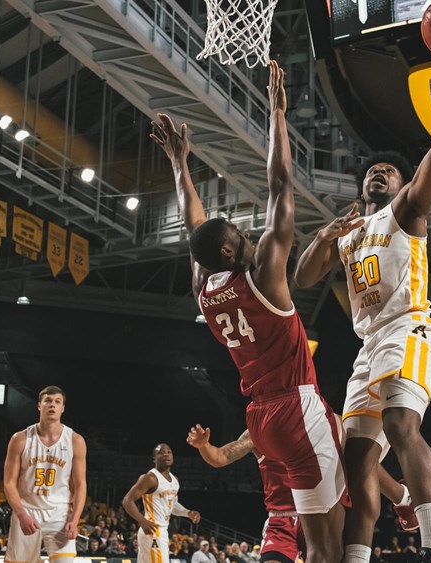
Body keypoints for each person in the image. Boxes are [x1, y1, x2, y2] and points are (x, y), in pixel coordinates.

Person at [293, 20, 431, 563]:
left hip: (411, 328)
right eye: (373, 171)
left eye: (389, 171)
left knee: (403, 424)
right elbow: (302, 281)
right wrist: (322, 240)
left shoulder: (406, 214)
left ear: (403, 186)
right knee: (357, 466)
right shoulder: (350, 233)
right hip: (368, 348)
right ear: (361, 187)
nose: (379, 174)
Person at [150, 60, 344, 563]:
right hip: (297, 408)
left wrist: (180, 164)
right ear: (235, 254)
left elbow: (196, 233)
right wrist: (278, 115)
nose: (249, 234)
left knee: (290, 522)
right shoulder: (265, 279)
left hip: (258, 420)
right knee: (330, 538)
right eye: (242, 235)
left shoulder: (205, 290)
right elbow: (281, 186)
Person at [187, 422, 414, 563]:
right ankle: (402, 497)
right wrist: (203, 446)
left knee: (358, 461)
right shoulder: (257, 430)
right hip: (281, 521)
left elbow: (360, 465)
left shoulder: (320, 419)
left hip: (321, 516)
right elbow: (220, 457)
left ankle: (403, 496)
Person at [3, 386, 88, 563]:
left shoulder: (75, 440)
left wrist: (75, 519)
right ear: (39, 405)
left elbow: (80, 484)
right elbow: (9, 483)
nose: (52, 405)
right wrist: (21, 514)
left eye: (57, 402)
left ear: (63, 408)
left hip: (59, 513)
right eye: (48, 401)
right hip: (27, 510)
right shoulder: (20, 439)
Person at [122, 443, 201, 563]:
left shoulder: (175, 480)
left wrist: (188, 513)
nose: (166, 454)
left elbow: (173, 505)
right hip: (153, 530)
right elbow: (127, 500)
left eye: (169, 452)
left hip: (162, 531)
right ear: (154, 458)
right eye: (161, 452)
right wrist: (142, 520)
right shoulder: (150, 478)